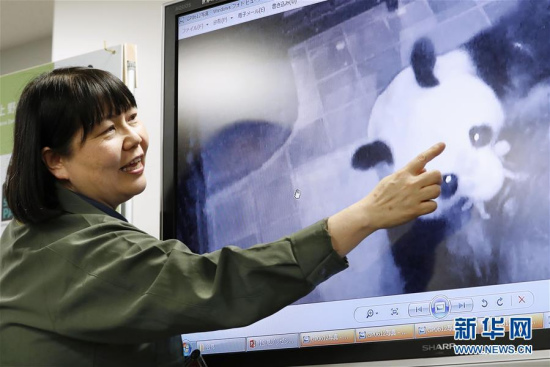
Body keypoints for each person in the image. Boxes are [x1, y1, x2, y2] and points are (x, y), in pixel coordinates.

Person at [0, 67, 445, 367]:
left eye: (132, 118)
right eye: (108, 130)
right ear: (55, 161)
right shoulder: (79, 252)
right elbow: (221, 284)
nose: (134, 138)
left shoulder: (26, 236)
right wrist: (365, 215)